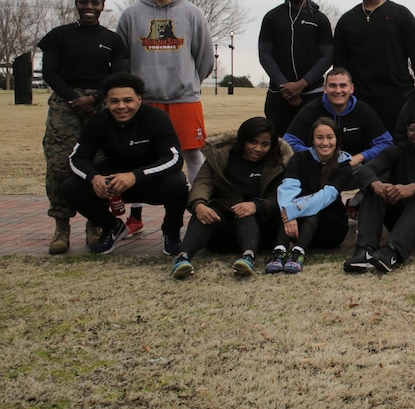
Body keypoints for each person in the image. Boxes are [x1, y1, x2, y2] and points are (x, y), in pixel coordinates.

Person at [115, 0, 215, 235]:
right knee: (140, 158)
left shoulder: (192, 14)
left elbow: (205, 57)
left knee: (193, 154)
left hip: (184, 98)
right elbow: (121, 55)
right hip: (144, 101)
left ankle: (201, 206)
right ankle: (135, 216)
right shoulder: (131, 15)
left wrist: (189, 81)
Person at [38, 0, 130, 254]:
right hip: (65, 104)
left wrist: (95, 98)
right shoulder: (59, 36)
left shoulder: (112, 40)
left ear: (103, 5)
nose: (89, 7)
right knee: (59, 165)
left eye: (95, 2)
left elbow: (120, 72)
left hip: (101, 105)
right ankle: (61, 227)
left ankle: (96, 225)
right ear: (76, 4)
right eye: (84, 2)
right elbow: (50, 73)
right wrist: (73, 99)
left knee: (100, 165)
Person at [61, 72, 188, 255]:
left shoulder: (156, 118)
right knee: (71, 187)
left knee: (177, 183)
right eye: (114, 101)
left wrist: (135, 175)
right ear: (106, 101)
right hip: (113, 183)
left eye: (128, 100)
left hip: (150, 180)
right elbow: (76, 157)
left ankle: (171, 232)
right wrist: (94, 178)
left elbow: (174, 158)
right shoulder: (98, 121)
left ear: (139, 99)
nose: (121, 106)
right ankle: (112, 227)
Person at [170, 117, 292, 279]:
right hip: (221, 225)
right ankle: (183, 258)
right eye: (253, 142)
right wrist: (198, 204)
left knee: (246, 214)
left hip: (259, 229)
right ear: (243, 140)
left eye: (264, 144)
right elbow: (203, 183)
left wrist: (257, 206)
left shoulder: (277, 164)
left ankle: (247, 257)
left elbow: (279, 197)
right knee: (206, 214)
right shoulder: (220, 157)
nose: (258, 148)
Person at [343, 110, 415, 273]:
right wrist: (376, 184)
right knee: (374, 190)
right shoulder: (398, 150)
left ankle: (392, 253)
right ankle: (365, 251)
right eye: (413, 128)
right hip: (399, 220)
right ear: (407, 132)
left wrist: (413, 188)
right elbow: (367, 169)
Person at [333, 0, 415, 132]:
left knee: (397, 143)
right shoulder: (347, 20)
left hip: (397, 93)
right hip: (360, 95)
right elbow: (339, 61)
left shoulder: (400, 14)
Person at [267, 117, 354, 274]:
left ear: (337, 139)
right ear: (312, 140)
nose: (325, 143)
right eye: (319, 137)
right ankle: (279, 251)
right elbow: (287, 188)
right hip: (297, 227)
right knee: (287, 204)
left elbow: (326, 197)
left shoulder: (344, 165)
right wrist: (289, 214)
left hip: (331, 228)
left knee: (313, 207)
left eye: (330, 137)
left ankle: (298, 253)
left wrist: (292, 211)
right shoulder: (299, 158)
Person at [257, 0, 334, 135]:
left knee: (313, 142)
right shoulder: (272, 17)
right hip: (279, 94)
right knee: (278, 144)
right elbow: (265, 53)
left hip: (312, 94)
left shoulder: (319, 19)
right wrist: (285, 87)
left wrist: (302, 84)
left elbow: (328, 55)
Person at [284, 68, 392, 179]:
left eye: (343, 85)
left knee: (384, 169)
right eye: (332, 86)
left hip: (353, 167)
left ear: (351, 88)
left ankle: (362, 197)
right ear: (325, 89)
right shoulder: (312, 110)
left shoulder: (363, 110)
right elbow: (288, 141)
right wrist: (317, 155)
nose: (338, 90)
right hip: (319, 168)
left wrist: (360, 157)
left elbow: (385, 143)